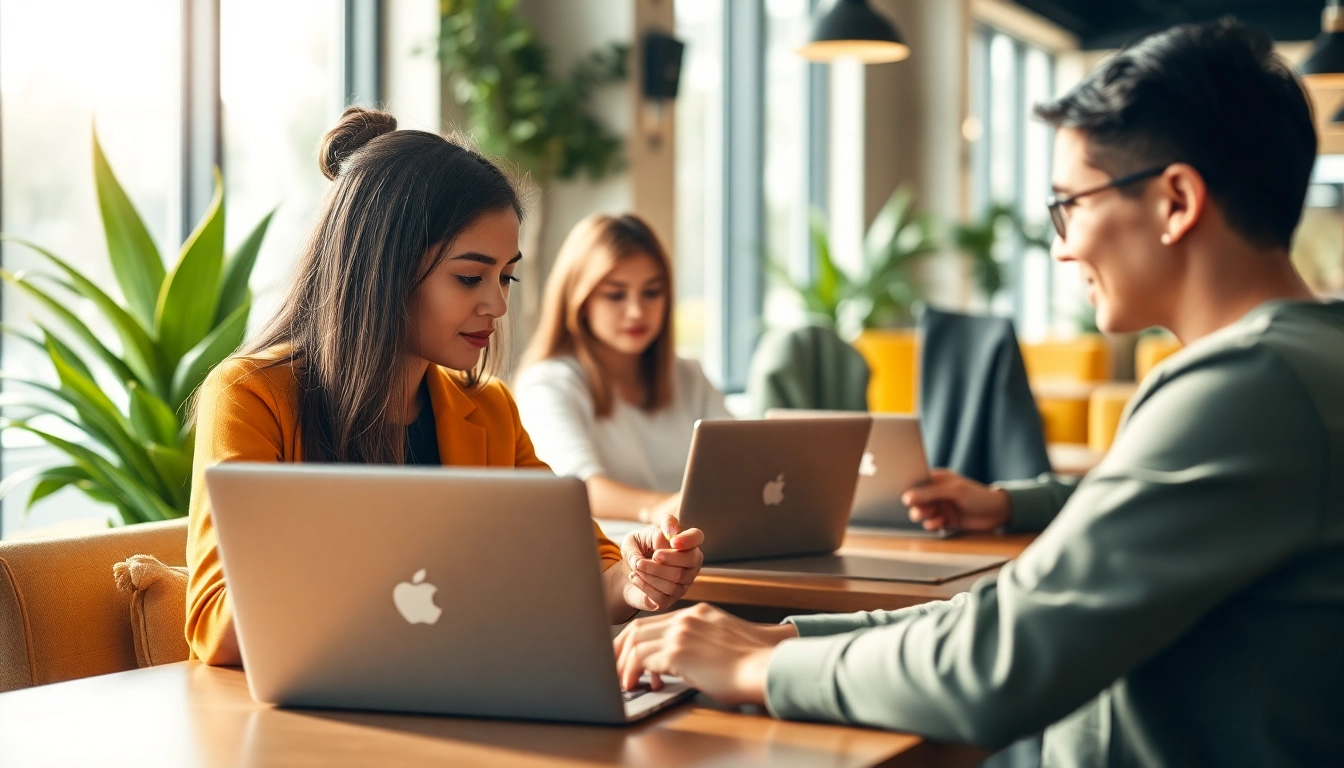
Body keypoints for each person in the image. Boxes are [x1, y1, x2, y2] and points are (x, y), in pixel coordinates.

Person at [612, 20, 1344, 765]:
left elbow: (1005, 656)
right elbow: (1020, 609)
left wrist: (754, 665)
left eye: (1070, 203)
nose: (1061, 244)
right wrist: (783, 638)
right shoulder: (1301, 365)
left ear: (1176, 201)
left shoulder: (1252, 387)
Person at [186, 108, 704, 666]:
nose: (498, 304)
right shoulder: (251, 396)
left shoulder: (489, 410)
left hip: (456, 696)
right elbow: (217, 626)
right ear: (383, 268)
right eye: (469, 277)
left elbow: (584, 570)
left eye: (506, 275)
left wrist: (635, 578)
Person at [514, 214, 731, 523]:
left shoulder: (688, 375)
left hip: (699, 548)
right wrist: (659, 508)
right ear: (580, 300)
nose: (636, 311)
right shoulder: (548, 384)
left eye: (652, 292)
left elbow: (740, 464)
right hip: (613, 559)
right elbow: (576, 487)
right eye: (615, 295)